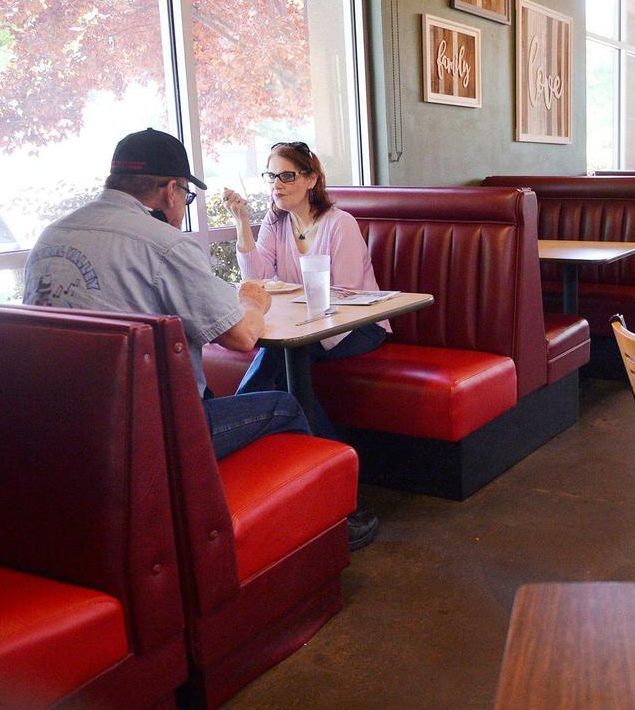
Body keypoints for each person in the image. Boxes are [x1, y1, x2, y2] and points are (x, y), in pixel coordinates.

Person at [23, 128, 311, 462]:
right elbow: (242, 336)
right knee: (286, 405)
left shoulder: (51, 235)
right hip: (149, 434)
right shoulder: (165, 244)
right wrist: (252, 301)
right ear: (172, 191)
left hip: (62, 428)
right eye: (188, 196)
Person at [222, 140, 388, 550]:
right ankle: (326, 490)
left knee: (278, 356)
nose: (277, 184)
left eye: (287, 175)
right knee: (282, 359)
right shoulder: (276, 224)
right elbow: (258, 275)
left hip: (358, 327)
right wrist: (243, 220)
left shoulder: (339, 223)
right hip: (308, 328)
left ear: (311, 179)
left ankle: (233, 444)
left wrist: (291, 306)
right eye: (271, 175)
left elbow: (346, 294)